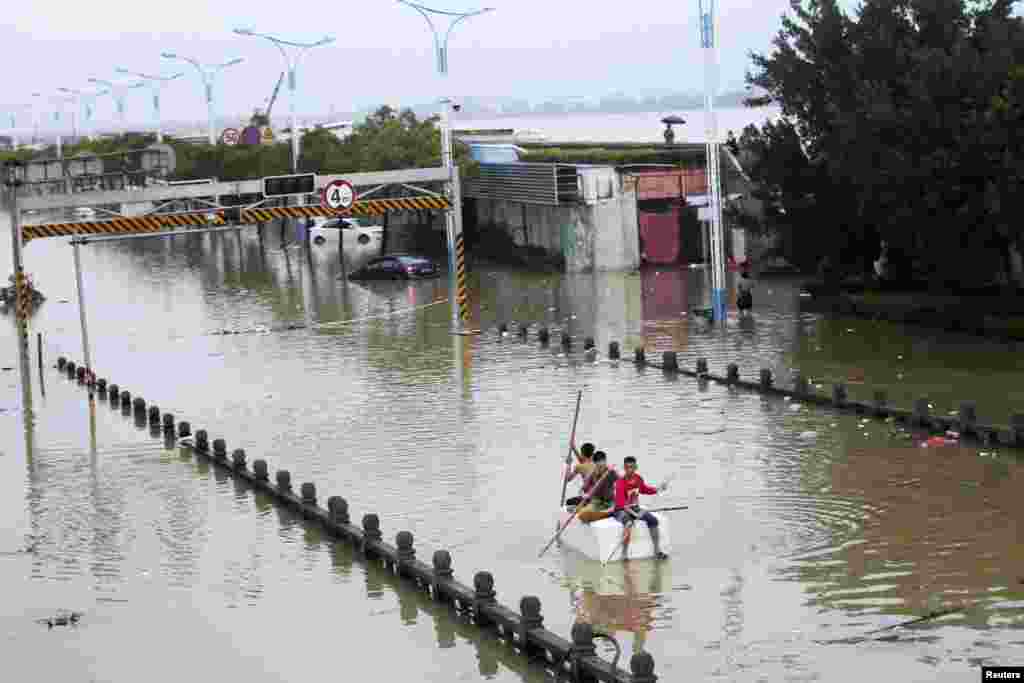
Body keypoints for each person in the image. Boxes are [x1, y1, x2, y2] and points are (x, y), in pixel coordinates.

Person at [612, 456, 668, 560]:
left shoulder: (638, 478)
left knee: (653, 520)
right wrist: (636, 515)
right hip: (620, 510)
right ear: (624, 468)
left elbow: (645, 489)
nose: (630, 470)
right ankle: (624, 554)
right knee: (628, 523)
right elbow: (622, 505)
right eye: (627, 467)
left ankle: (657, 551)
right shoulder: (620, 483)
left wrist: (659, 489)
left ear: (636, 467)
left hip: (635, 508)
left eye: (632, 467)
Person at [576, 451, 619, 523]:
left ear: (605, 461)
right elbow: (582, 489)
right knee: (581, 515)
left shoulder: (611, 472)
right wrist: (584, 495)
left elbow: (623, 482)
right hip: (596, 502)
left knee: (615, 509)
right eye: (599, 466)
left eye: (602, 466)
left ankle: (605, 514)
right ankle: (602, 515)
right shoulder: (593, 473)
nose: (601, 468)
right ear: (595, 464)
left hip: (610, 502)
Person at [564, 441, 596, 507]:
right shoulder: (596, 463)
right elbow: (583, 461)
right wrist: (574, 448)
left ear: (582, 454)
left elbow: (568, 479)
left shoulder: (580, 467)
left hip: (589, 499)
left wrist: (569, 464)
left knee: (568, 502)